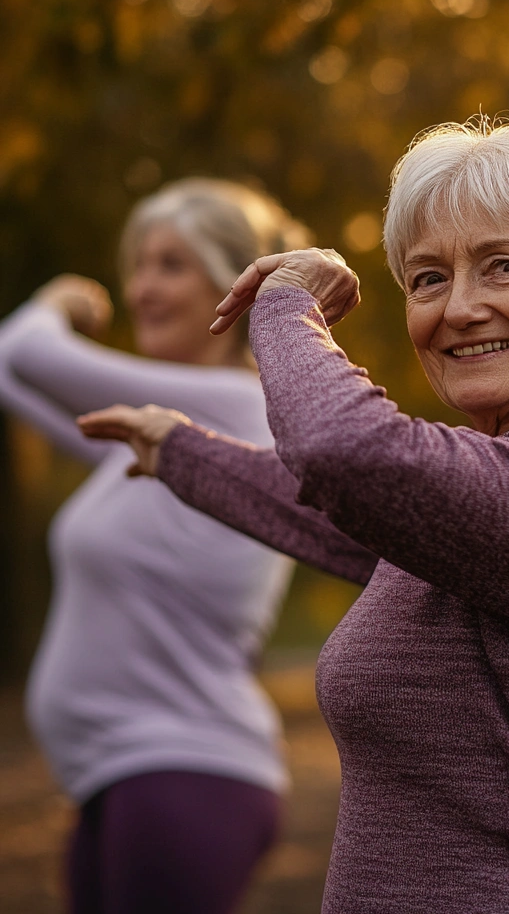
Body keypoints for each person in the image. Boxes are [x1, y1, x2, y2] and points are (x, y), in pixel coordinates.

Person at [78, 119, 509, 914]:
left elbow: (351, 458)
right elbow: (355, 517)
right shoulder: (508, 487)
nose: (461, 309)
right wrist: (181, 451)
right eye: (427, 279)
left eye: (504, 267)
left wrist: (287, 305)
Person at [0, 178, 309, 914]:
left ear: (233, 289)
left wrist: (60, 304)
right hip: (128, 779)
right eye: (136, 264)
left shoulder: (237, 404)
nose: (140, 287)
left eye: (170, 265)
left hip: (184, 776)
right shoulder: (149, 437)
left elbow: (21, 352)